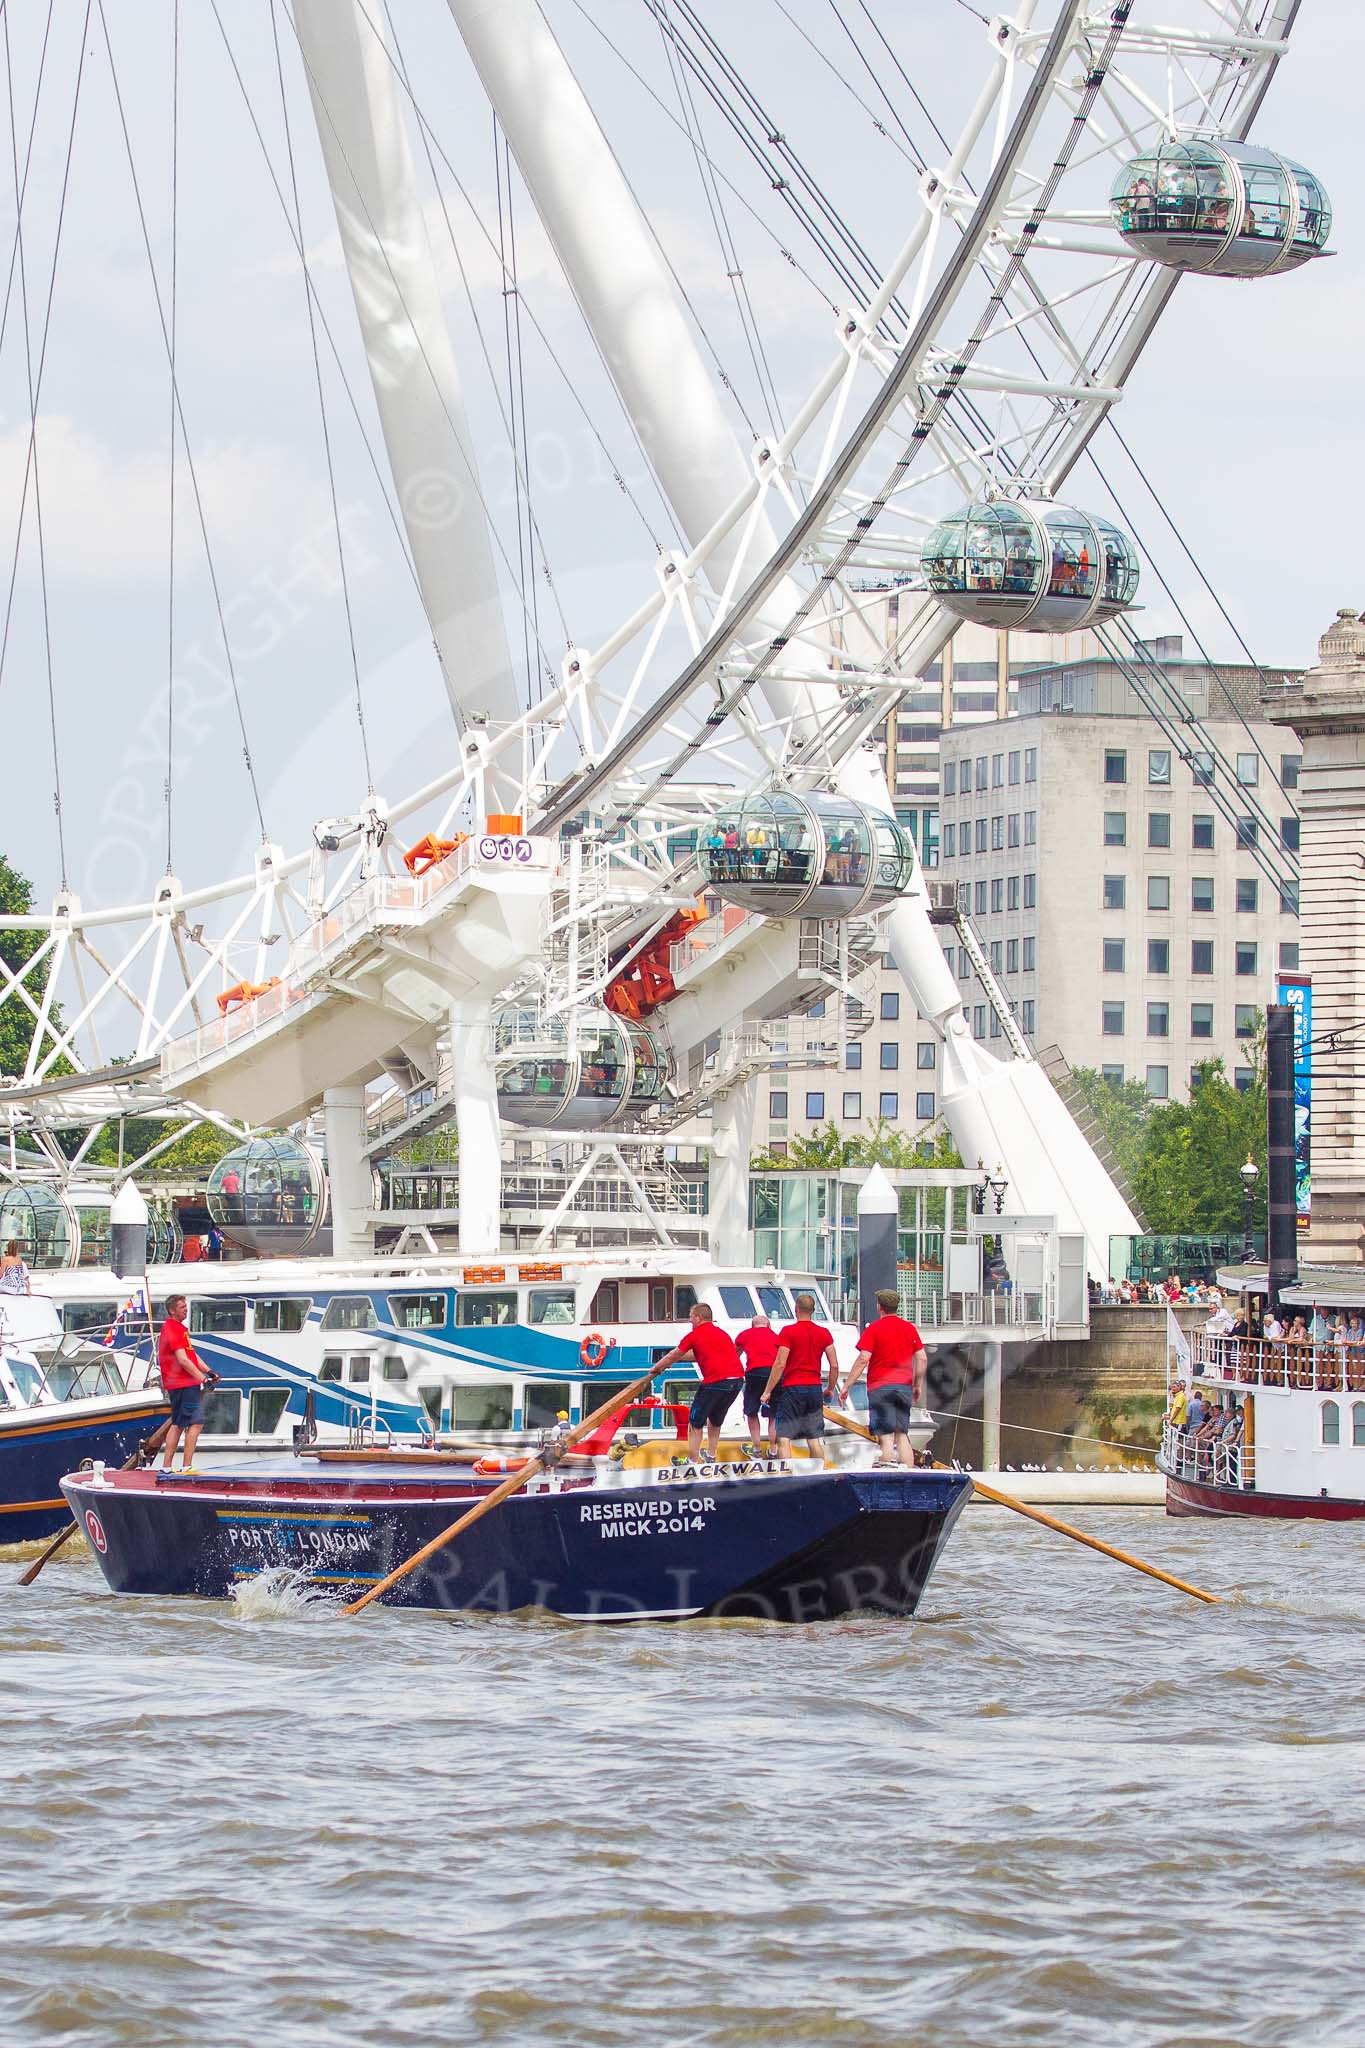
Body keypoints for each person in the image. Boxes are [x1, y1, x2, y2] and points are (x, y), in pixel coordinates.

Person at [837, 1288, 928, 1468]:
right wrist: (917, 1385)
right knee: (902, 1434)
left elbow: (864, 1358)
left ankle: (887, 1472)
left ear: (879, 1307)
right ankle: (908, 1473)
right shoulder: (909, 1328)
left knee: (886, 1436)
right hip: (903, 1387)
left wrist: (847, 1385)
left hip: (880, 1388)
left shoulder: (874, 1329)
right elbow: (922, 1358)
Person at [654, 1303, 744, 1465]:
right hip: (736, 1380)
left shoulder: (694, 1335)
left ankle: (693, 1460)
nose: (690, 1321)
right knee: (715, 1420)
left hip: (715, 1381)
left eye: (691, 1317)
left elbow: (673, 1354)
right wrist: (674, 1359)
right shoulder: (722, 1334)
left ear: (698, 1317)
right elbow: (697, 1354)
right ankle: (710, 1456)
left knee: (695, 1422)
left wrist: (656, 1368)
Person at [761, 1292, 839, 1463]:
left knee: (784, 1437)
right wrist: (831, 1389)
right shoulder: (824, 1333)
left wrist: (767, 1391)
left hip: (793, 1388)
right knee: (813, 1437)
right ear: (813, 1310)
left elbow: (780, 1363)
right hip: (814, 1388)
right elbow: (834, 1365)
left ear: (796, 1309)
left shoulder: (788, 1332)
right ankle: (818, 1473)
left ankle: (787, 1475)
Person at [157, 1294, 215, 1473]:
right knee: (196, 1422)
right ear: (172, 1310)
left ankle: (167, 1467)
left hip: (182, 1383)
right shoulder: (172, 1329)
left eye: (185, 1306)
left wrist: (209, 1371)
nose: (185, 1309)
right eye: (182, 1306)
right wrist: (202, 1379)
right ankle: (186, 1466)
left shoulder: (179, 1329)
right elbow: (182, 1360)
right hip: (182, 1383)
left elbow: (191, 1355)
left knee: (179, 1423)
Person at [735, 1312, 780, 1456]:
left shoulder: (745, 1335)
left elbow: (735, 1355)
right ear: (769, 1325)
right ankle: (773, 1450)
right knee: (773, 1414)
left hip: (754, 1373)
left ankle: (756, 1449)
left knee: (751, 1411)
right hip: (774, 1374)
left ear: (752, 1325)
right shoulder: (776, 1337)